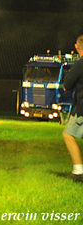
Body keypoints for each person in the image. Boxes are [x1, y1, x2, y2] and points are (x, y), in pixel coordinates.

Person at [62, 35, 83, 182]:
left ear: (77, 47)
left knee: (68, 134)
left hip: (82, 109)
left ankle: (78, 171)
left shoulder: (80, 64)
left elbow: (67, 84)